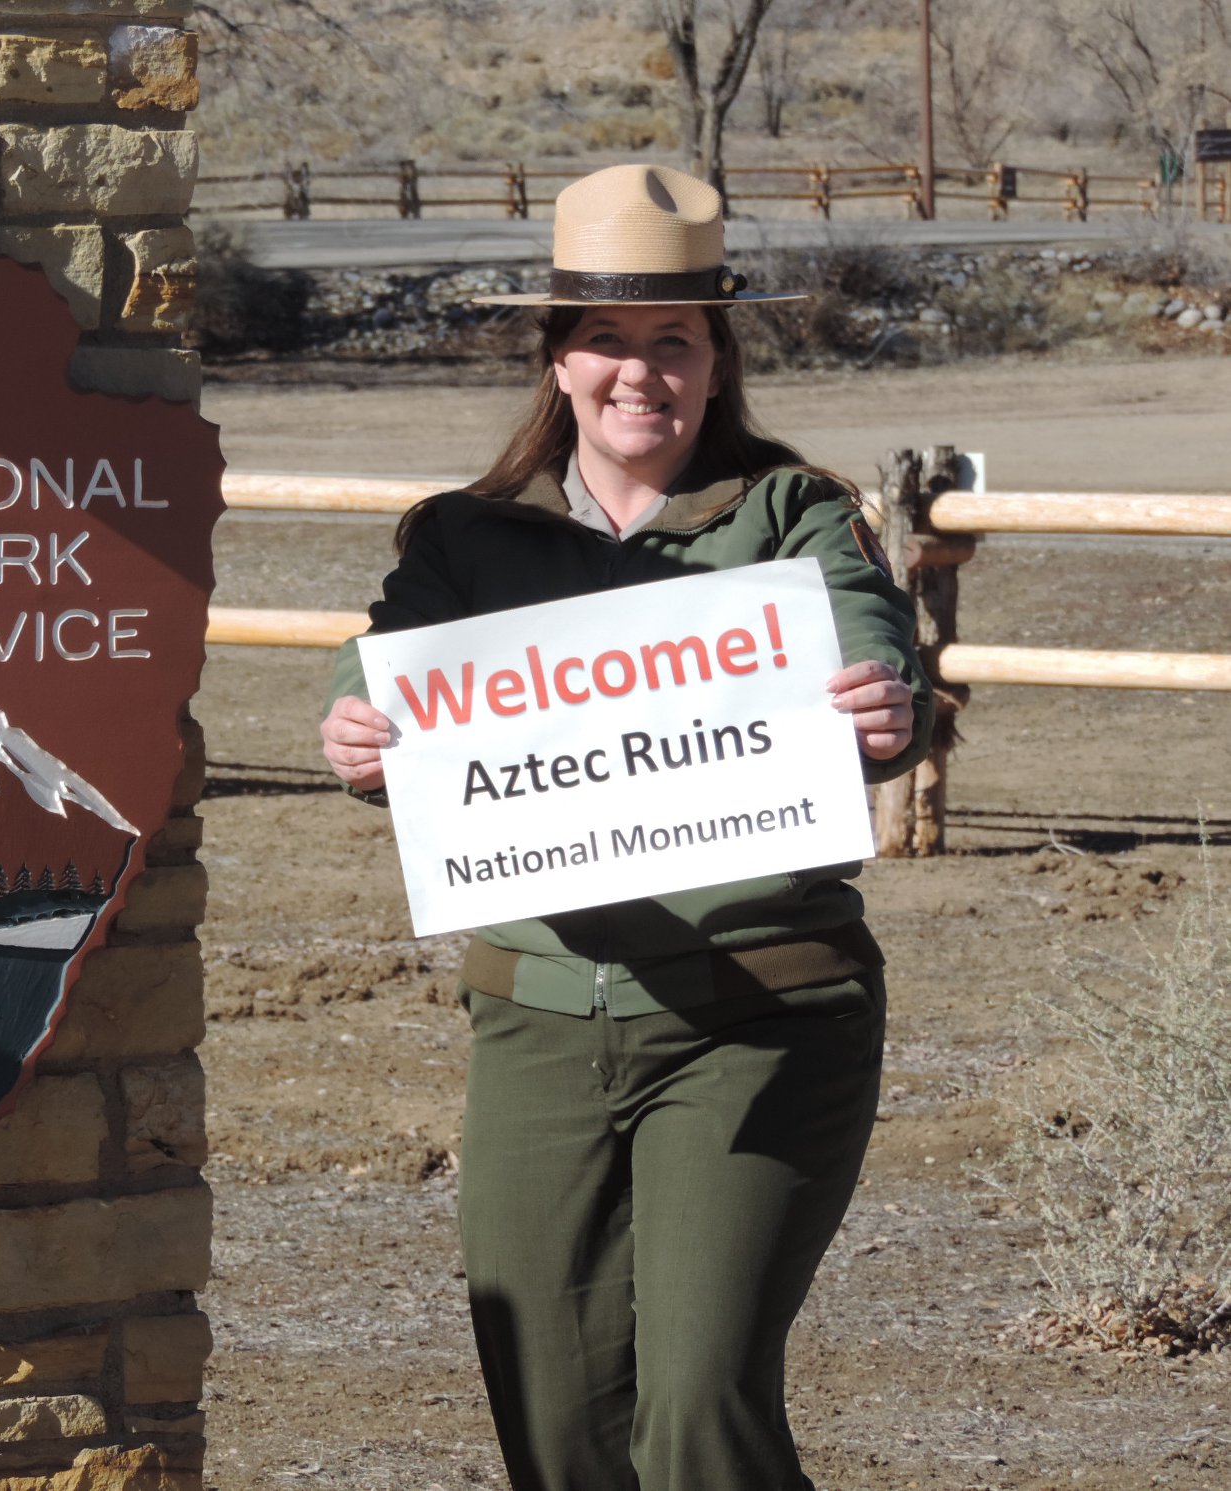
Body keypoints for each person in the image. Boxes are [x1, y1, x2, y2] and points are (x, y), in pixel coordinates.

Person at [318, 164, 933, 1491]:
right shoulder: (469, 538)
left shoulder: (795, 517)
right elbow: (387, 667)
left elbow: (873, 642)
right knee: (557, 1423)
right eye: (606, 339)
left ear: (717, 362)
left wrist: (887, 702)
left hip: (757, 1019)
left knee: (698, 1413)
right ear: (557, 358)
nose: (637, 373)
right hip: (539, 1023)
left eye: (673, 341)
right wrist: (355, 731)